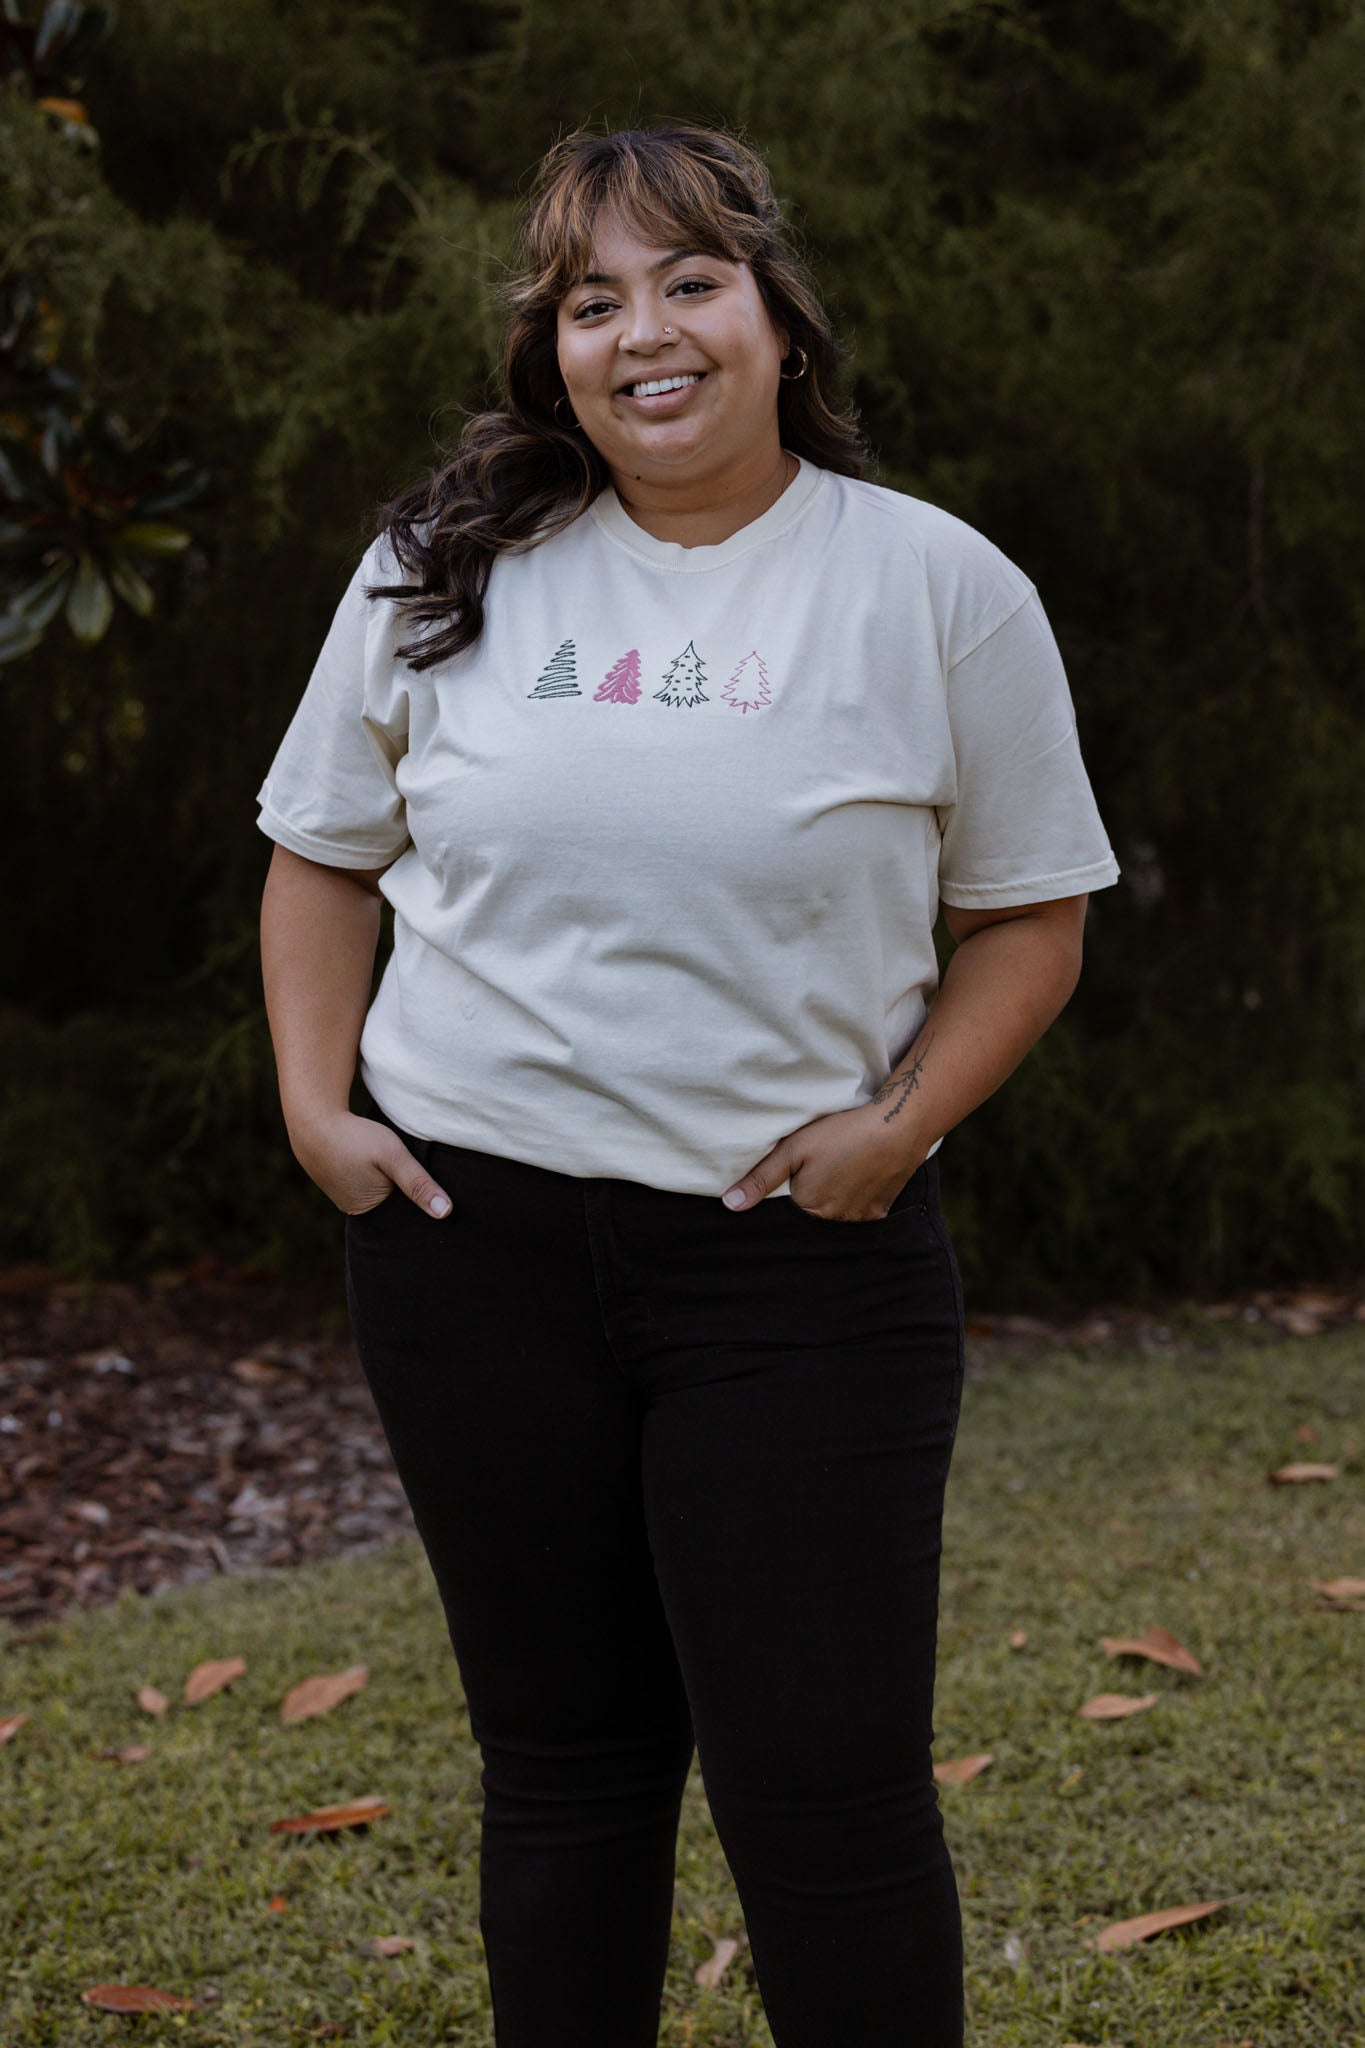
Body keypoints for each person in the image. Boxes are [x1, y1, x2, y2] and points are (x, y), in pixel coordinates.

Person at [256, 118, 1120, 2048]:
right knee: (561, 1772)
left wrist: (897, 1132)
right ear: (549, 348)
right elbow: (321, 853)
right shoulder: (440, 569)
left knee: (824, 1797)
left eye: (688, 282)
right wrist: (322, 1116)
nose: (643, 333)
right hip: (471, 1253)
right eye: (592, 299)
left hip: (794, 1267)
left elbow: (1032, 916)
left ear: (775, 320)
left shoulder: (934, 587)